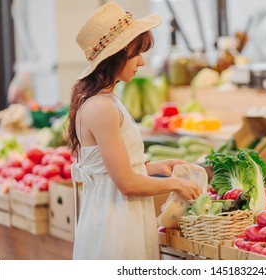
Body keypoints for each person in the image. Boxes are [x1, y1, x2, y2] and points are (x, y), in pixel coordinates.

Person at [67, 2, 202, 260]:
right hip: (114, 225)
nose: (141, 61)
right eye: (135, 53)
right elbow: (126, 183)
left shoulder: (105, 101)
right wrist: (176, 184)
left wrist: (156, 167)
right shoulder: (101, 107)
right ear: (114, 55)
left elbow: (110, 170)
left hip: (118, 217)